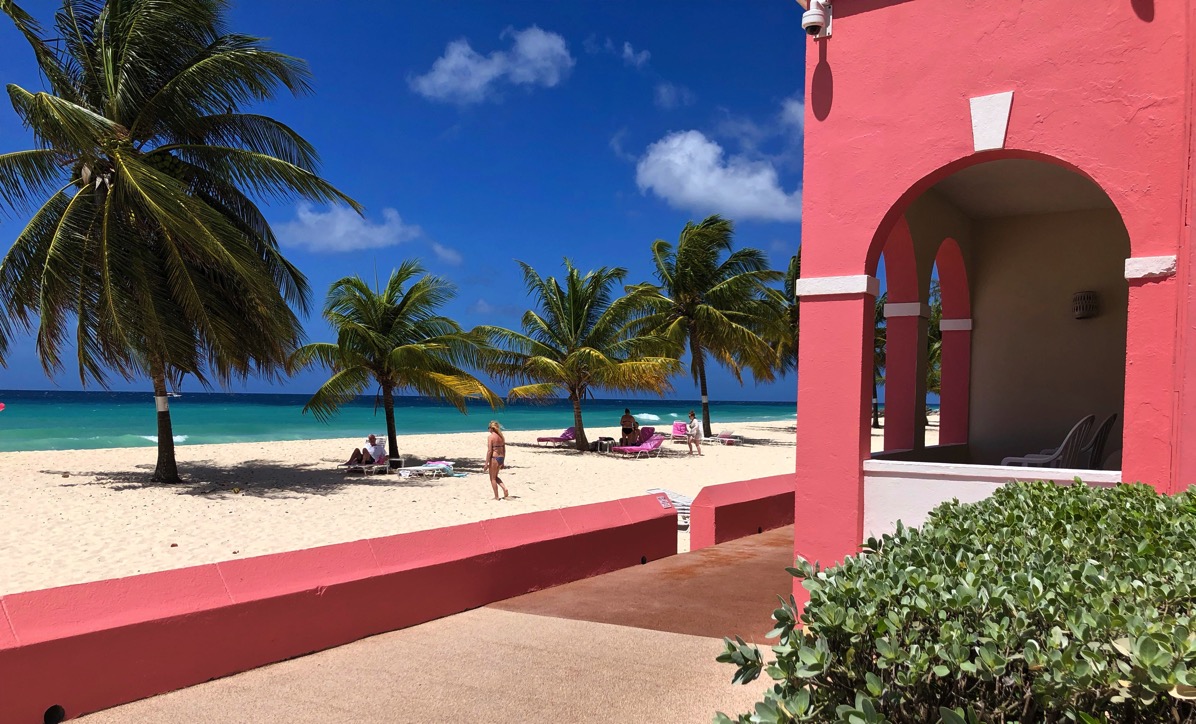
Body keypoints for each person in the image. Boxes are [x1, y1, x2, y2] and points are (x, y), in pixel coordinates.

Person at [486, 420, 510, 500]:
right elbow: (504, 450)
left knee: (492, 478)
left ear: (491, 428)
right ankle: (504, 488)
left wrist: (486, 463)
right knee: (495, 476)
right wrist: (503, 461)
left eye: (488, 428)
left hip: (494, 458)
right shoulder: (501, 437)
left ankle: (496, 496)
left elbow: (489, 451)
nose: (488, 429)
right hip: (501, 457)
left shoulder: (491, 437)